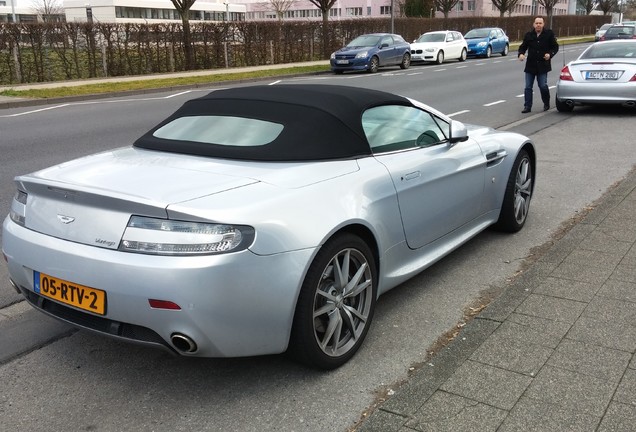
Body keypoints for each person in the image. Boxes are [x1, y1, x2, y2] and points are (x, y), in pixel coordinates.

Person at [518, 16, 559, 113]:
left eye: (540, 23)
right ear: (533, 24)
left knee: (543, 85)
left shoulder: (549, 34)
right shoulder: (529, 35)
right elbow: (523, 47)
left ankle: (546, 102)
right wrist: (521, 54)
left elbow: (555, 47)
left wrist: (550, 54)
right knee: (528, 87)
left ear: (543, 24)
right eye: (536, 23)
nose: (538, 25)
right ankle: (527, 106)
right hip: (530, 65)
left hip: (543, 65)